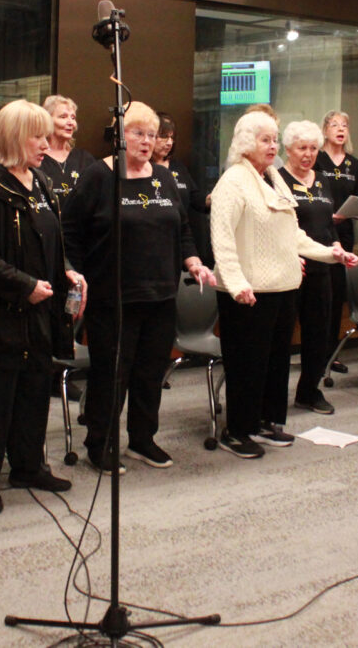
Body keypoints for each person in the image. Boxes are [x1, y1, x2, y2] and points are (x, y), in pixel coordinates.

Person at [64, 102, 215, 473]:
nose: (147, 141)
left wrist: (193, 261)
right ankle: (99, 443)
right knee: (111, 375)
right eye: (138, 133)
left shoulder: (163, 178)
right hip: (112, 298)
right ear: (120, 135)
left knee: (150, 373)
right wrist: (74, 276)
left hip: (161, 295)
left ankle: (143, 439)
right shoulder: (98, 176)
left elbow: (181, 228)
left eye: (152, 135)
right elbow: (70, 232)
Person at [210, 111, 358, 459]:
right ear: (247, 143)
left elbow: (294, 235)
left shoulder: (273, 178)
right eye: (266, 140)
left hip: (282, 288)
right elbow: (222, 237)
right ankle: (237, 430)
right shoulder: (233, 180)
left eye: (275, 139)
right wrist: (234, 282)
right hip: (246, 293)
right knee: (247, 364)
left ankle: (265, 422)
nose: (273, 146)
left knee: (275, 362)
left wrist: (330, 254)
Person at [0, 99, 79, 514]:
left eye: (47, 136)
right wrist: (24, 285)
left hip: (41, 311)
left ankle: (28, 465)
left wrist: (65, 272)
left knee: (33, 392)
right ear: (13, 136)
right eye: (38, 136)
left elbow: (49, 240)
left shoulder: (41, 182)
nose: (46, 144)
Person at [279, 120, 338, 415]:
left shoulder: (323, 179)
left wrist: (336, 246)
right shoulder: (276, 179)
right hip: (289, 269)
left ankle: (308, 391)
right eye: (302, 148)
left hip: (321, 268)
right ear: (288, 149)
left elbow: (327, 223)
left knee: (319, 334)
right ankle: (273, 397)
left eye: (314, 148)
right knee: (283, 334)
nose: (308, 154)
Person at [316, 111, 358, 376]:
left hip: (344, 233)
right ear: (325, 130)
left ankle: (331, 354)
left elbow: (356, 197)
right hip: (318, 233)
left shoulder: (353, 164)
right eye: (335, 125)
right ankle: (314, 352)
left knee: (337, 296)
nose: (340, 129)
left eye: (345, 125)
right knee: (319, 295)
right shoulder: (317, 159)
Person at [153, 112, 208, 266]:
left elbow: (195, 198)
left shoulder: (178, 167)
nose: (169, 142)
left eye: (172, 138)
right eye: (164, 136)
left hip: (178, 241)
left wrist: (212, 200)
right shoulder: (141, 169)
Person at [40, 95, 96, 208]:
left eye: (73, 117)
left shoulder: (85, 159)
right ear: (47, 120)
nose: (71, 122)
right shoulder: (37, 159)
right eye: (63, 117)